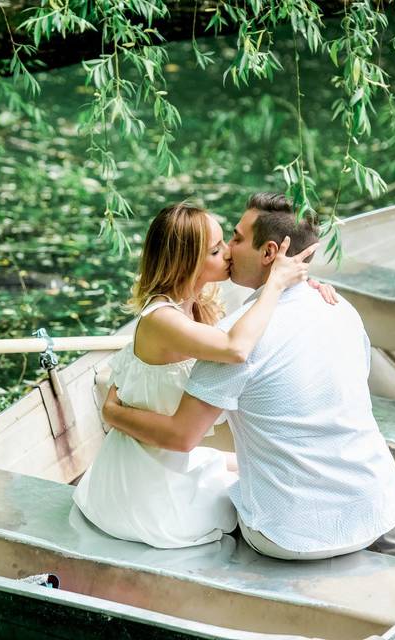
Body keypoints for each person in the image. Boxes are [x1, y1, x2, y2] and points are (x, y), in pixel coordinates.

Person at [102, 193, 395, 563]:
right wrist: (292, 285)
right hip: (379, 508)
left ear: (270, 253)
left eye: (235, 239)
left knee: (223, 483)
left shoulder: (232, 337)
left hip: (290, 535)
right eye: (219, 246)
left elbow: (186, 429)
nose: (227, 251)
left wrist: (111, 414)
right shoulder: (339, 307)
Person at [72, 202, 338, 549]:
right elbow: (235, 346)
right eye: (216, 250)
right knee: (255, 491)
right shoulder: (162, 320)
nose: (228, 252)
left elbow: (249, 323)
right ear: (188, 263)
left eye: (226, 241)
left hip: (167, 457)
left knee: (261, 473)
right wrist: (276, 284)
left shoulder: (194, 308)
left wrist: (301, 285)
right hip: (147, 484)